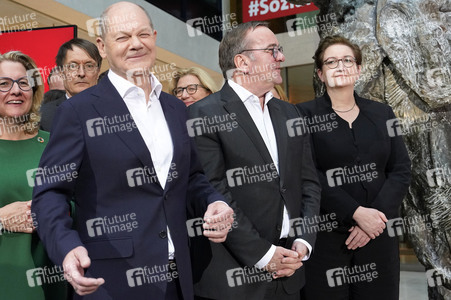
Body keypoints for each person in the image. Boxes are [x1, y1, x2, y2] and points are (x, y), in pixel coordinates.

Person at [31, 2, 234, 300]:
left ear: (154, 37)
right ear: (102, 46)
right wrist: (66, 246)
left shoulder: (176, 108)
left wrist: (213, 201)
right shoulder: (78, 111)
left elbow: (191, 177)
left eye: (142, 34)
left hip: (179, 278)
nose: (136, 44)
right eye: (123, 37)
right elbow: (50, 192)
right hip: (110, 280)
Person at [188, 21, 321, 300]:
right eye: (272, 50)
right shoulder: (205, 114)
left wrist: (303, 242)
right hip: (233, 278)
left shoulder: (291, 114)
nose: (281, 57)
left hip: (290, 273)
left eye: (279, 50)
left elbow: (308, 183)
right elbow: (214, 190)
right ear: (242, 62)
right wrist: (264, 255)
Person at [296, 35, 411, 300]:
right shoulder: (303, 115)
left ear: (358, 70)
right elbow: (307, 174)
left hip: (378, 235)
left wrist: (374, 218)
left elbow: (400, 169)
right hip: (327, 235)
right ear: (320, 74)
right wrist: (355, 212)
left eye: (348, 60)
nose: (341, 66)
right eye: (332, 62)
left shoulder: (383, 114)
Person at [0, 51, 66, 299]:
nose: (15, 90)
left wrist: (53, 210)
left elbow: (82, 204)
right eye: (4, 83)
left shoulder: (54, 145)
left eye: (23, 83)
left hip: (51, 276)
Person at [40, 38, 102, 131]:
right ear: (61, 72)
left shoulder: (115, 111)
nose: (81, 73)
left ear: (98, 72)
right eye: (73, 66)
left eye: (89, 66)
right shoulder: (43, 117)